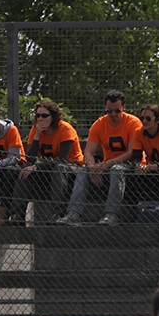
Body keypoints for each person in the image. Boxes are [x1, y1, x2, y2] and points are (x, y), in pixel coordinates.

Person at [56, 90, 140, 226]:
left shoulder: (133, 123)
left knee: (117, 169)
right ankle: (73, 214)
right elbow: (88, 152)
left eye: (117, 111)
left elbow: (131, 153)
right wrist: (92, 168)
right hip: (105, 167)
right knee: (83, 171)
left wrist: (106, 165)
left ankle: (111, 215)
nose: (113, 115)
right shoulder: (99, 124)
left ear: (123, 108)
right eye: (109, 111)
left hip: (129, 167)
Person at [11, 100, 84, 225]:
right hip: (48, 168)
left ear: (53, 116)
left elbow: (62, 159)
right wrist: (37, 136)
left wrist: (37, 166)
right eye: (38, 116)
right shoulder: (36, 129)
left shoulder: (65, 129)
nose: (40, 119)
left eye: (44, 116)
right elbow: (30, 159)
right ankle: (18, 214)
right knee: (24, 170)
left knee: (58, 168)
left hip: (72, 167)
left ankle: (58, 213)